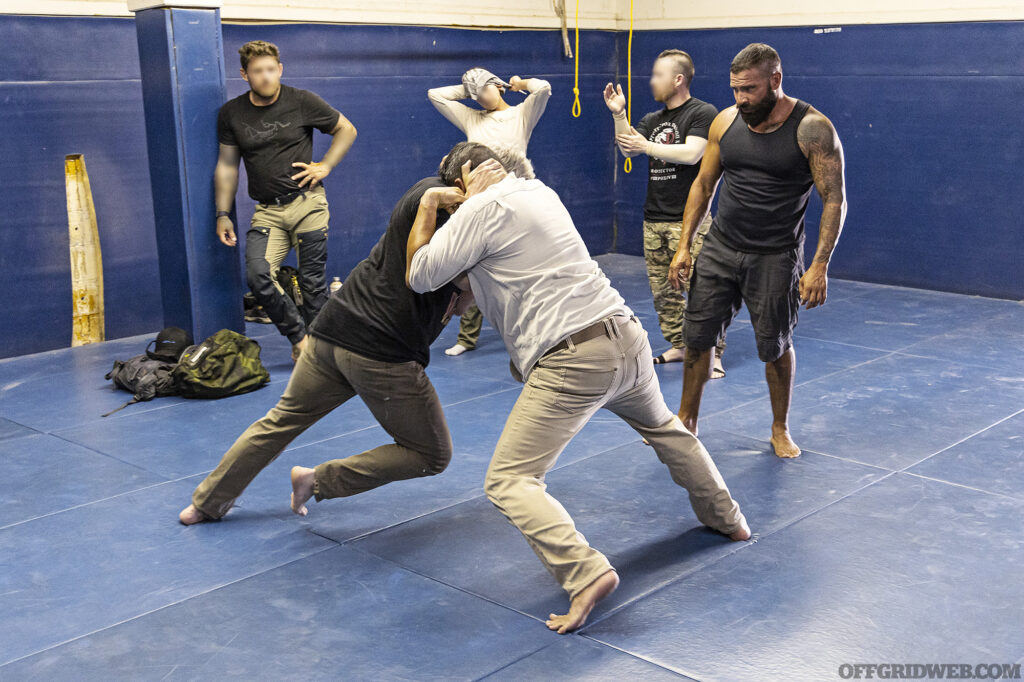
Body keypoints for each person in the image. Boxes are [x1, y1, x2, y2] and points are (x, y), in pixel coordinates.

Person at [406, 141, 751, 634]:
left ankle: (585, 573)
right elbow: (488, 274)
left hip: (573, 359)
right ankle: (728, 517)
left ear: (463, 180)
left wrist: (428, 205)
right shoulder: (540, 191)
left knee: (509, 481)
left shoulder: (480, 207)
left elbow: (420, 276)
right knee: (667, 430)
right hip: (625, 335)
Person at [178, 167, 475, 526]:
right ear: (463, 181)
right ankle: (317, 479)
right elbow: (460, 305)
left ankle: (205, 504)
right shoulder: (456, 222)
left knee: (279, 422)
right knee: (432, 454)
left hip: (332, 330)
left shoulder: (421, 192)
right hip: (382, 352)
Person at [667, 43, 848, 458]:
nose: (741, 99)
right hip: (721, 246)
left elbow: (834, 199)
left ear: (775, 81)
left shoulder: (813, 129)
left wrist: (819, 265)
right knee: (697, 337)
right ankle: (687, 419)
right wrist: (684, 247)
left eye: (749, 89)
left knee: (775, 346)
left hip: (775, 256)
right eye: (735, 89)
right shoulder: (726, 123)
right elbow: (704, 184)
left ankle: (779, 428)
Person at [214, 40, 357, 362]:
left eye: (270, 70)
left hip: (308, 204)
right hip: (268, 212)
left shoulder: (302, 101)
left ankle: (319, 352)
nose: (265, 77)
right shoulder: (232, 113)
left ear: (279, 69)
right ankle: (300, 339)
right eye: (257, 71)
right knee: (257, 274)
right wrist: (222, 213)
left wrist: (326, 165)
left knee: (312, 284)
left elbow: (346, 129)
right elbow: (226, 165)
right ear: (244, 75)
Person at [604, 49, 727, 377]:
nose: (652, 81)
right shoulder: (651, 120)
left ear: (678, 79)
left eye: (659, 75)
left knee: (703, 289)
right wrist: (619, 115)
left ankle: (712, 353)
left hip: (691, 220)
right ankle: (680, 344)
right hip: (655, 219)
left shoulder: (702, 112)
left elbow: (692, 153)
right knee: (664, 292)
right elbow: (628, 147)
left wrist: (646, 146)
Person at [427, 67, 551, 357]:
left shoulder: (521, 114)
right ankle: (467, 337)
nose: (481, 99)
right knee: (475, 263)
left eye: (485, 90)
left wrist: (519, 83)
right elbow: (435, 95)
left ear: (498, 85)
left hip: (517, 196)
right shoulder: (471, 117)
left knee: (523, 264)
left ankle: (536, 331)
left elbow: (543, 88)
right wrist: (468, 88)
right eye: (475, 95)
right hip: (482, 199)